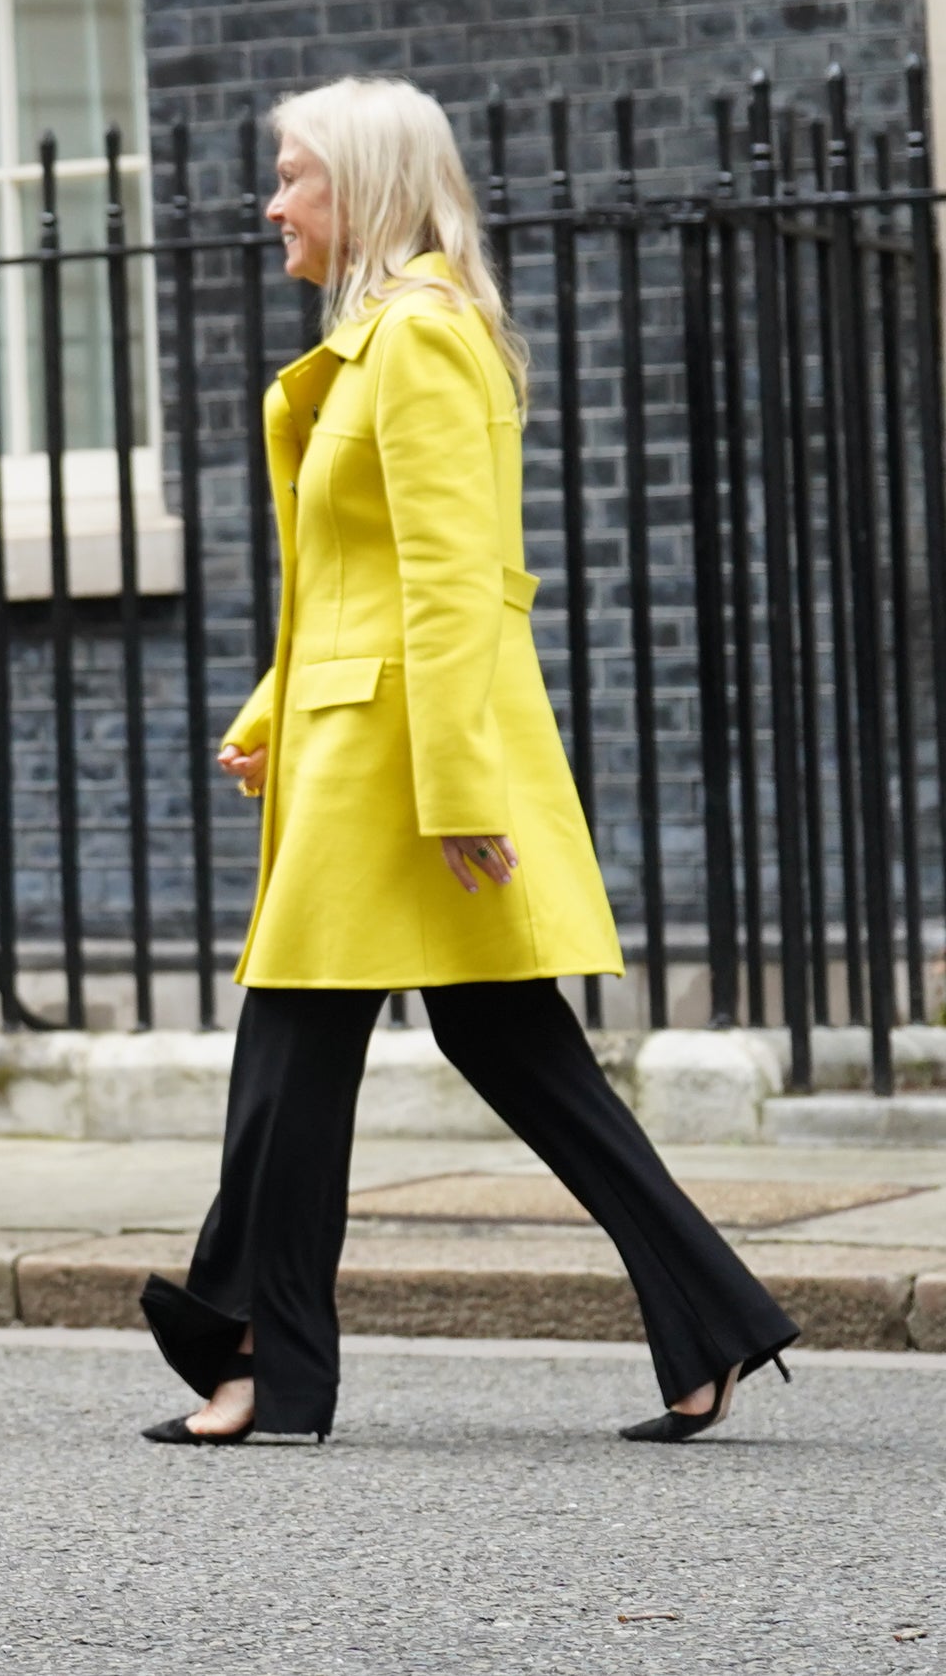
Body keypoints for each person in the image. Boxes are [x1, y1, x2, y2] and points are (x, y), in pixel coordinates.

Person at [141, 75, 798, 1447]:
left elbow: (455, 583)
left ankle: (264, 1355)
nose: (273, 203)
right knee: (508, 1044)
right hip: (358, 746)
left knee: (289, 1054)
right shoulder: (386, 340)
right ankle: (711, 1319)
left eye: (294, 176)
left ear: (365, 188)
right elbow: (346, 579)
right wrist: (274, 705)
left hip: (396, 776)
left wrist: (454, 795)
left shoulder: (424, 341)